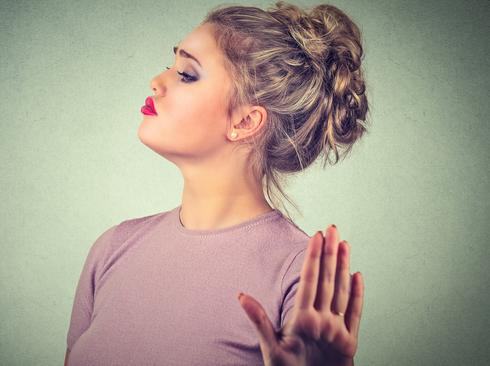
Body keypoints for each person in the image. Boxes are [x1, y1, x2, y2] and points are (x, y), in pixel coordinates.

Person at [65, 1, 369, 365]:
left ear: (244, 122)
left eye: (187, 74)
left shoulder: (299, 274)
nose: (156, 82)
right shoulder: (112, 248)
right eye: (170, 65)